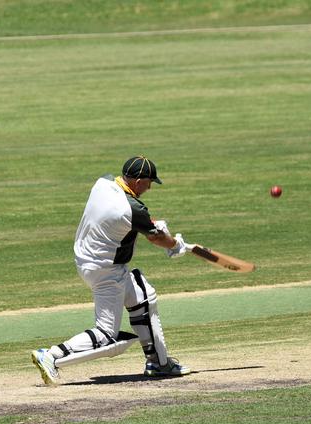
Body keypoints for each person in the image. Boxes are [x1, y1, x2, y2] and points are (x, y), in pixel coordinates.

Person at [31, 156, 191, 386]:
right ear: (137, 181)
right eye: (148, 183)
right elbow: (156, 238)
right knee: (106, 335)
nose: (149, 187)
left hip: (88, 260)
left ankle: (158, 362)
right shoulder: (133, 208)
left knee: (143, 297)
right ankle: (52, 355)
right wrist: (175, 245)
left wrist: (154, 226)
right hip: (106, 271)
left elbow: (140, 220)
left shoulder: (104, 183)